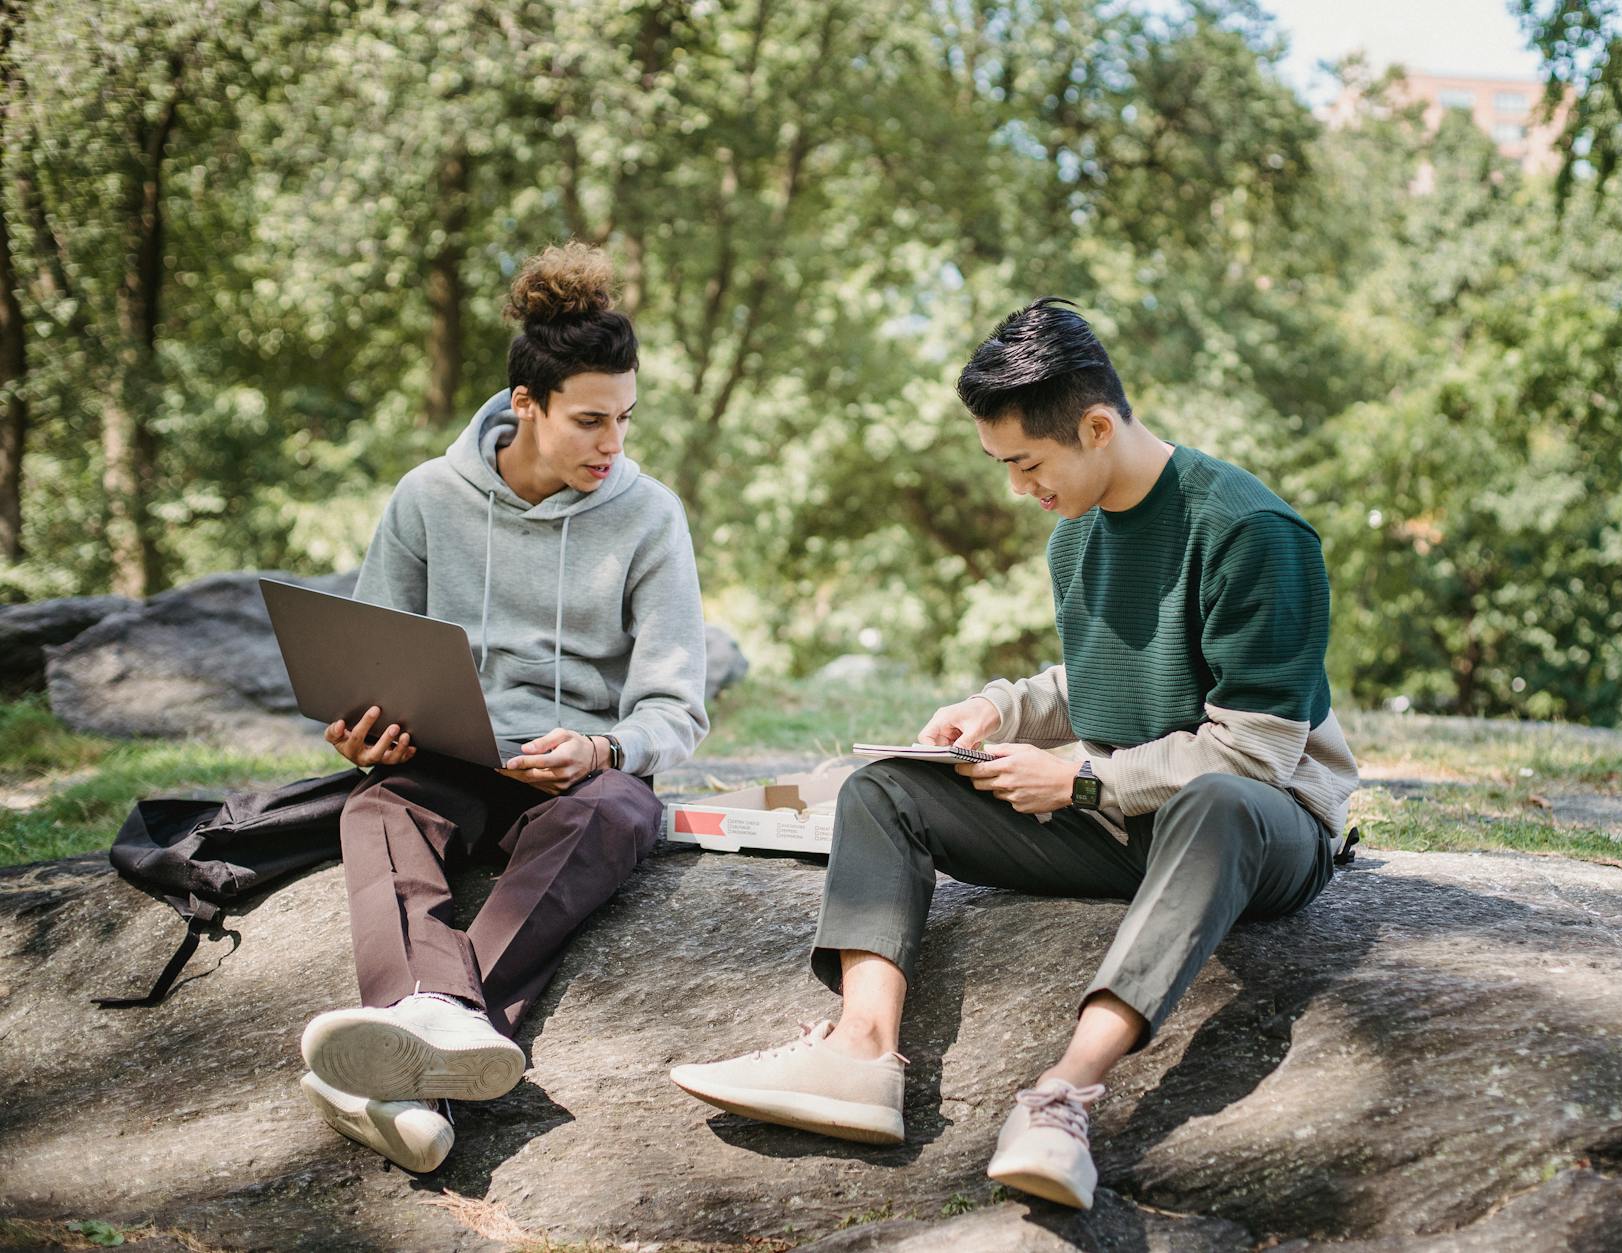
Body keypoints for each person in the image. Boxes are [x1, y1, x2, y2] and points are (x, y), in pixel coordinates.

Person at [669, 297, 1357, 1209]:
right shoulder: (1077, 534)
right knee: (887, 788)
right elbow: (1098, 676)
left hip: (1260, 826)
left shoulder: (1254, 532)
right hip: (1122, 818)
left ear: (1099, 426)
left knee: (1216, 804)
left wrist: (1080, 777)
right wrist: (998, 708)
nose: (1015, 487)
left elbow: (1258, 756)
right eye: (1003, 465)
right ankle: (859, 1051)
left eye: (1026, 463)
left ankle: (1063, 1094)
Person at [297, 242, 708, 1173]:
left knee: (621, 811)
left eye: (627, 420)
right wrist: (363, 728)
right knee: (378, 804)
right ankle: (440, 1043)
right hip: (444, 759)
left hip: (572, 777)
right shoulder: (428, 499)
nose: (615, 446)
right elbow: (368, 657)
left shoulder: (651, 517)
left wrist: (604, 748)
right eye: (592, 422)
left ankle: (416, 1054)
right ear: (526, 405)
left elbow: (676, 706)